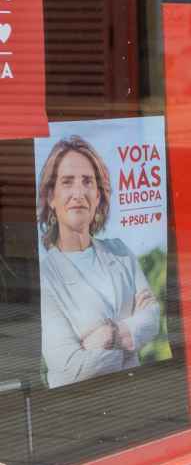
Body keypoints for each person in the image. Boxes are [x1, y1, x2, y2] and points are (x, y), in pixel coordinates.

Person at [38, 136, 160, 387]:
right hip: (80, 408)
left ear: (98, 195)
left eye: (87, 182)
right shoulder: (44, 276)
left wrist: (107, 336)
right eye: (67, 182)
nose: (78, 193)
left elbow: (153, 318)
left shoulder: (120, 252)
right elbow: (70, 370)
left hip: (134, 393)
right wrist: (129, 336)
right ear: (51, 196)